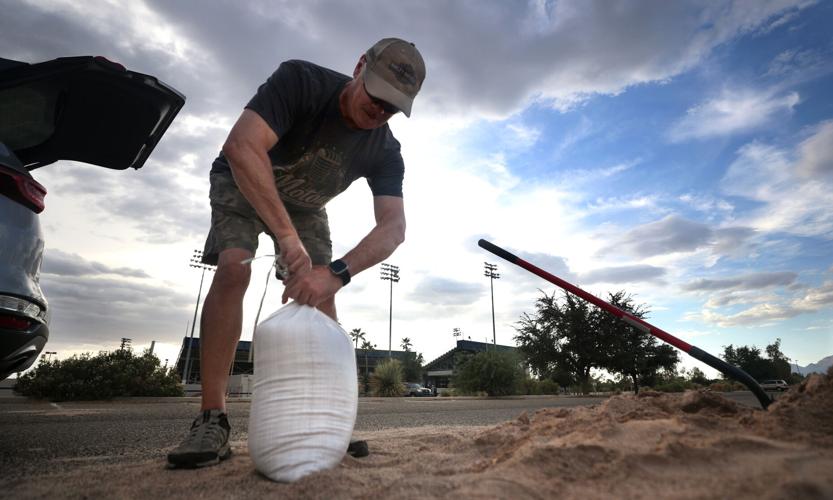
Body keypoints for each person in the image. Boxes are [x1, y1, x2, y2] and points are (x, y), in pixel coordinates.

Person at [167, 38, 426, 469]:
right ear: (360, 65)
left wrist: (336, 273)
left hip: (306, 205)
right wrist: (287, 239)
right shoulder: (301, 81)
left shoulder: (385, 150)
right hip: (244, 180)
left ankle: (326, 420)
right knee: (235, 270)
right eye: (376, 96)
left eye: (392, 108)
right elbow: (242, 146)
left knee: (321, 296)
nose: (379, 111)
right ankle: (212, 419)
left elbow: (393, 228)